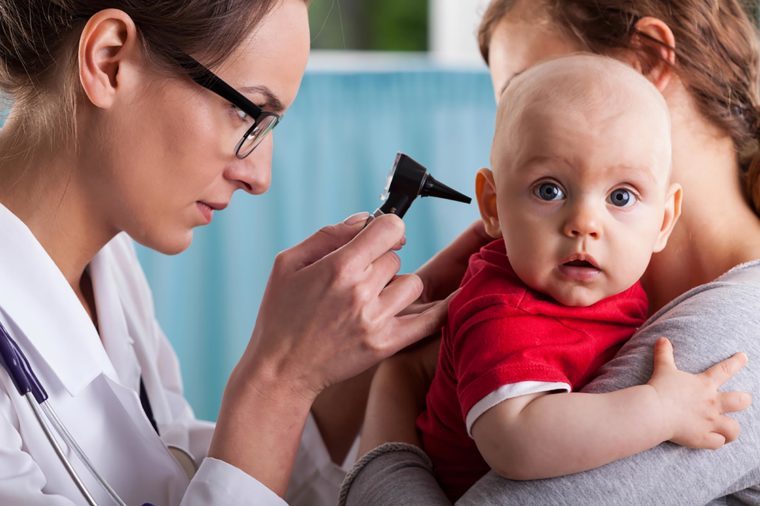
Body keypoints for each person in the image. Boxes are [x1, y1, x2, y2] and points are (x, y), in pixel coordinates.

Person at [0, 1, 483, 504]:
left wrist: (347, 362)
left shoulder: (109, 270)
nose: (259, 177)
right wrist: (279, 378)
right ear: (109, 61)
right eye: (247, 112)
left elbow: (187, 476)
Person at [340, 0, 760, 504]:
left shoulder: (734, 335)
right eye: (548, 189)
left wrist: (395, 390)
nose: (582, 223)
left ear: (647, 61)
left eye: (524, 84)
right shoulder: (553, 297)